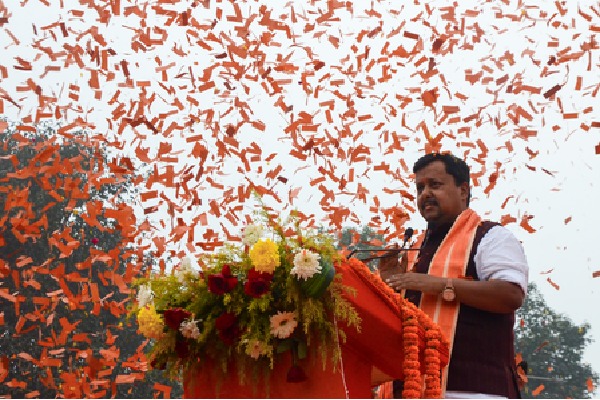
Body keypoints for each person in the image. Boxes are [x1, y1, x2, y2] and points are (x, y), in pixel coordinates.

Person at [379, 152, 529, 399]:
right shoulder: (415, 251)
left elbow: (510, 294)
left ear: (463, 190)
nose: (425, 194)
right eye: (420, 188)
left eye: (435, 185)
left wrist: (439, 285)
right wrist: (390, 287)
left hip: (475, 391)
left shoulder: (490, 236)